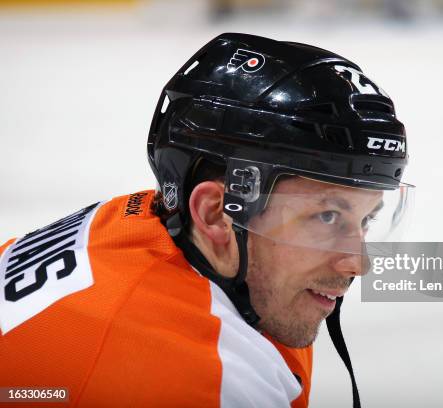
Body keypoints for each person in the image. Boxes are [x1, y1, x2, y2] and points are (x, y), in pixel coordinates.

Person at [0, 33, 412, 407]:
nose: (358, 263)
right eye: (327, 216)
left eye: (367, 219)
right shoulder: (194, 380)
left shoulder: (137, 223)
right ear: (216, 212)